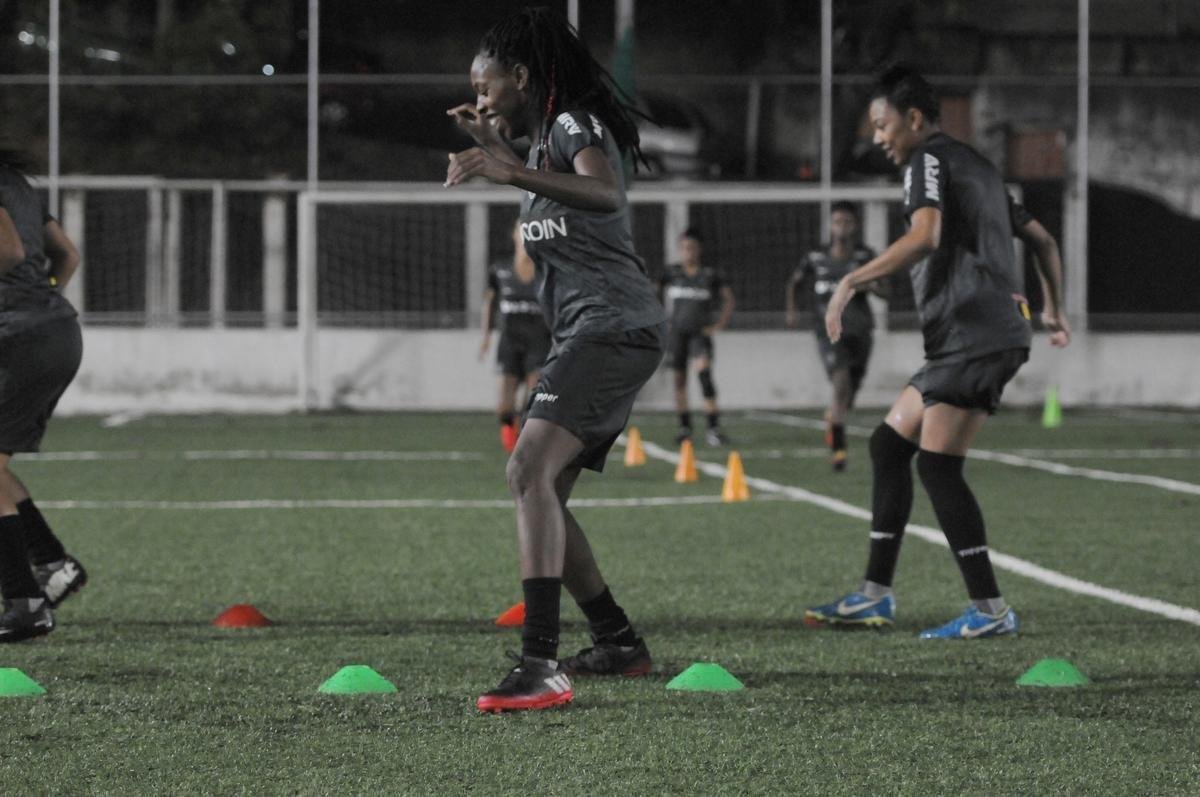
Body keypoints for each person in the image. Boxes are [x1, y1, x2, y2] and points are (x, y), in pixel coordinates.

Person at [446, 7, 666, 711]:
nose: (480, 99)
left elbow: (605, 192)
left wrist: (510, 172)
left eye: (486, 87)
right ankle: (618, 641)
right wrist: (501, 150)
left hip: (614, 326)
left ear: (520, 76)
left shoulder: (571, 125)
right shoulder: (540, 146)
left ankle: (541, 663)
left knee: (526, 469)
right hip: (591, 332)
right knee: (547, 497)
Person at [805, 68, 1070, 639]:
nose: (879, 137)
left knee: (937, 465)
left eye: (883, 125)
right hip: (975, 335)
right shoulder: (979, 166)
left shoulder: (925, 161)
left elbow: (924, 235)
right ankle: (874, 595)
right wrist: (1055, 308)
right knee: (887, 444)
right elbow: (1043, 240)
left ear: (914, 121)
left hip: (973, 335)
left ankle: (991, 609)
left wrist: (850, 281)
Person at [0, 151, 88, 642]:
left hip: (17, 338)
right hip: (51, 330)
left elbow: (9, 252)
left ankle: (25, 603)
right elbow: (67, 256)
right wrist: (43, 297)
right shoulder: (16, 182)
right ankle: (52, 564)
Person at [786, 202, 879, 471]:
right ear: (830, 226)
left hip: (861, 331)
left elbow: (885, 290)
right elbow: (794, 282)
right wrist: (792, 311)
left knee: (850, 392)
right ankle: (839, 451)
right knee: (840, 384)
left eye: (847, 222)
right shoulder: (815, 257)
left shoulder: (865, 256)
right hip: (829, 333)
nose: (841, 227)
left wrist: (872, 285)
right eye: (837, 222)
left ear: (855, 226)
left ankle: (834, 418)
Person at [479, 221, 552, 453]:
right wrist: (486, 337)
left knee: (534, 398)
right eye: (521, 231)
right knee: (504, 406)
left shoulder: (546, 269)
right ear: (514, 236)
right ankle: (509, 426)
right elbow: (489, 302)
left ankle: (524, 440)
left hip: (539, 340)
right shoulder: (500, 269)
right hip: (510, 341)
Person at [659, 228, 734, 446]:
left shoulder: (709, 275)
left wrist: (718, 324)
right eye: (683, 248)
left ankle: (713, 429)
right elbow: (653, 291)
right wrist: (661, 319)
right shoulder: (672, 273)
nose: (687, 252)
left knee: (704, 376)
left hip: (699, 334)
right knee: (680, 380)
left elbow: (728, 299)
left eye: (691, 248)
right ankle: (685, 429)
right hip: (678, 334)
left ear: (698, 250)